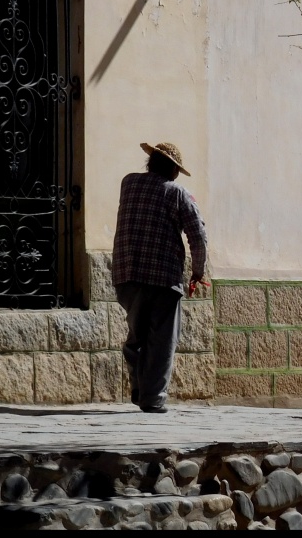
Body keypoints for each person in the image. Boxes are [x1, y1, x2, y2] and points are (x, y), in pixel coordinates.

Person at [111, 141, 209, 413]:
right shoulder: (178, 193)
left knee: (137, 335)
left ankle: (139, 387)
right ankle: (152, 399)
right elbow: (197, 236)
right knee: (162, 340)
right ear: (174, 170)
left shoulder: (128, 183)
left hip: (126, 274)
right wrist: (198, 271)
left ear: (150, 162)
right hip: (163, 276)